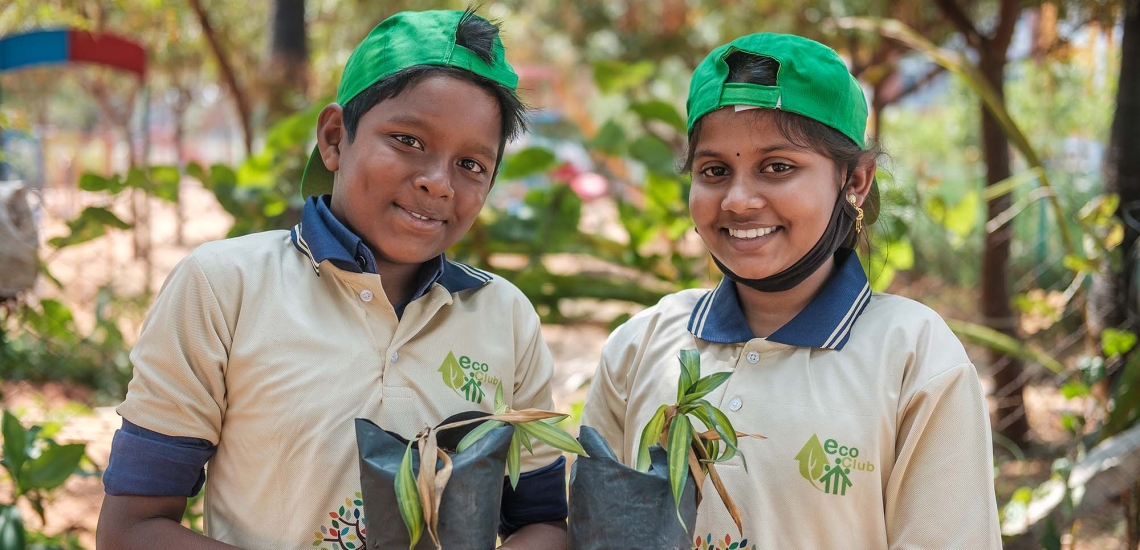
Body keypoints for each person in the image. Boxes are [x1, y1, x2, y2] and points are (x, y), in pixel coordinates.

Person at [96, 9, 567, 550]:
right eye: (408, 141)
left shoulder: (504, 316)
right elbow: (130, 530)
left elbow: (544, 523)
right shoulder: (226, 287)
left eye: (471, 165)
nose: (438, 183)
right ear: (335, 138)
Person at [579, 33, 1002, 550]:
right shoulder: (641, 345)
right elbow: (589, 528)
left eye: (777, 167)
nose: (737, 200)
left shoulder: (913, 357)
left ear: (856, 181)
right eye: (714, 171)